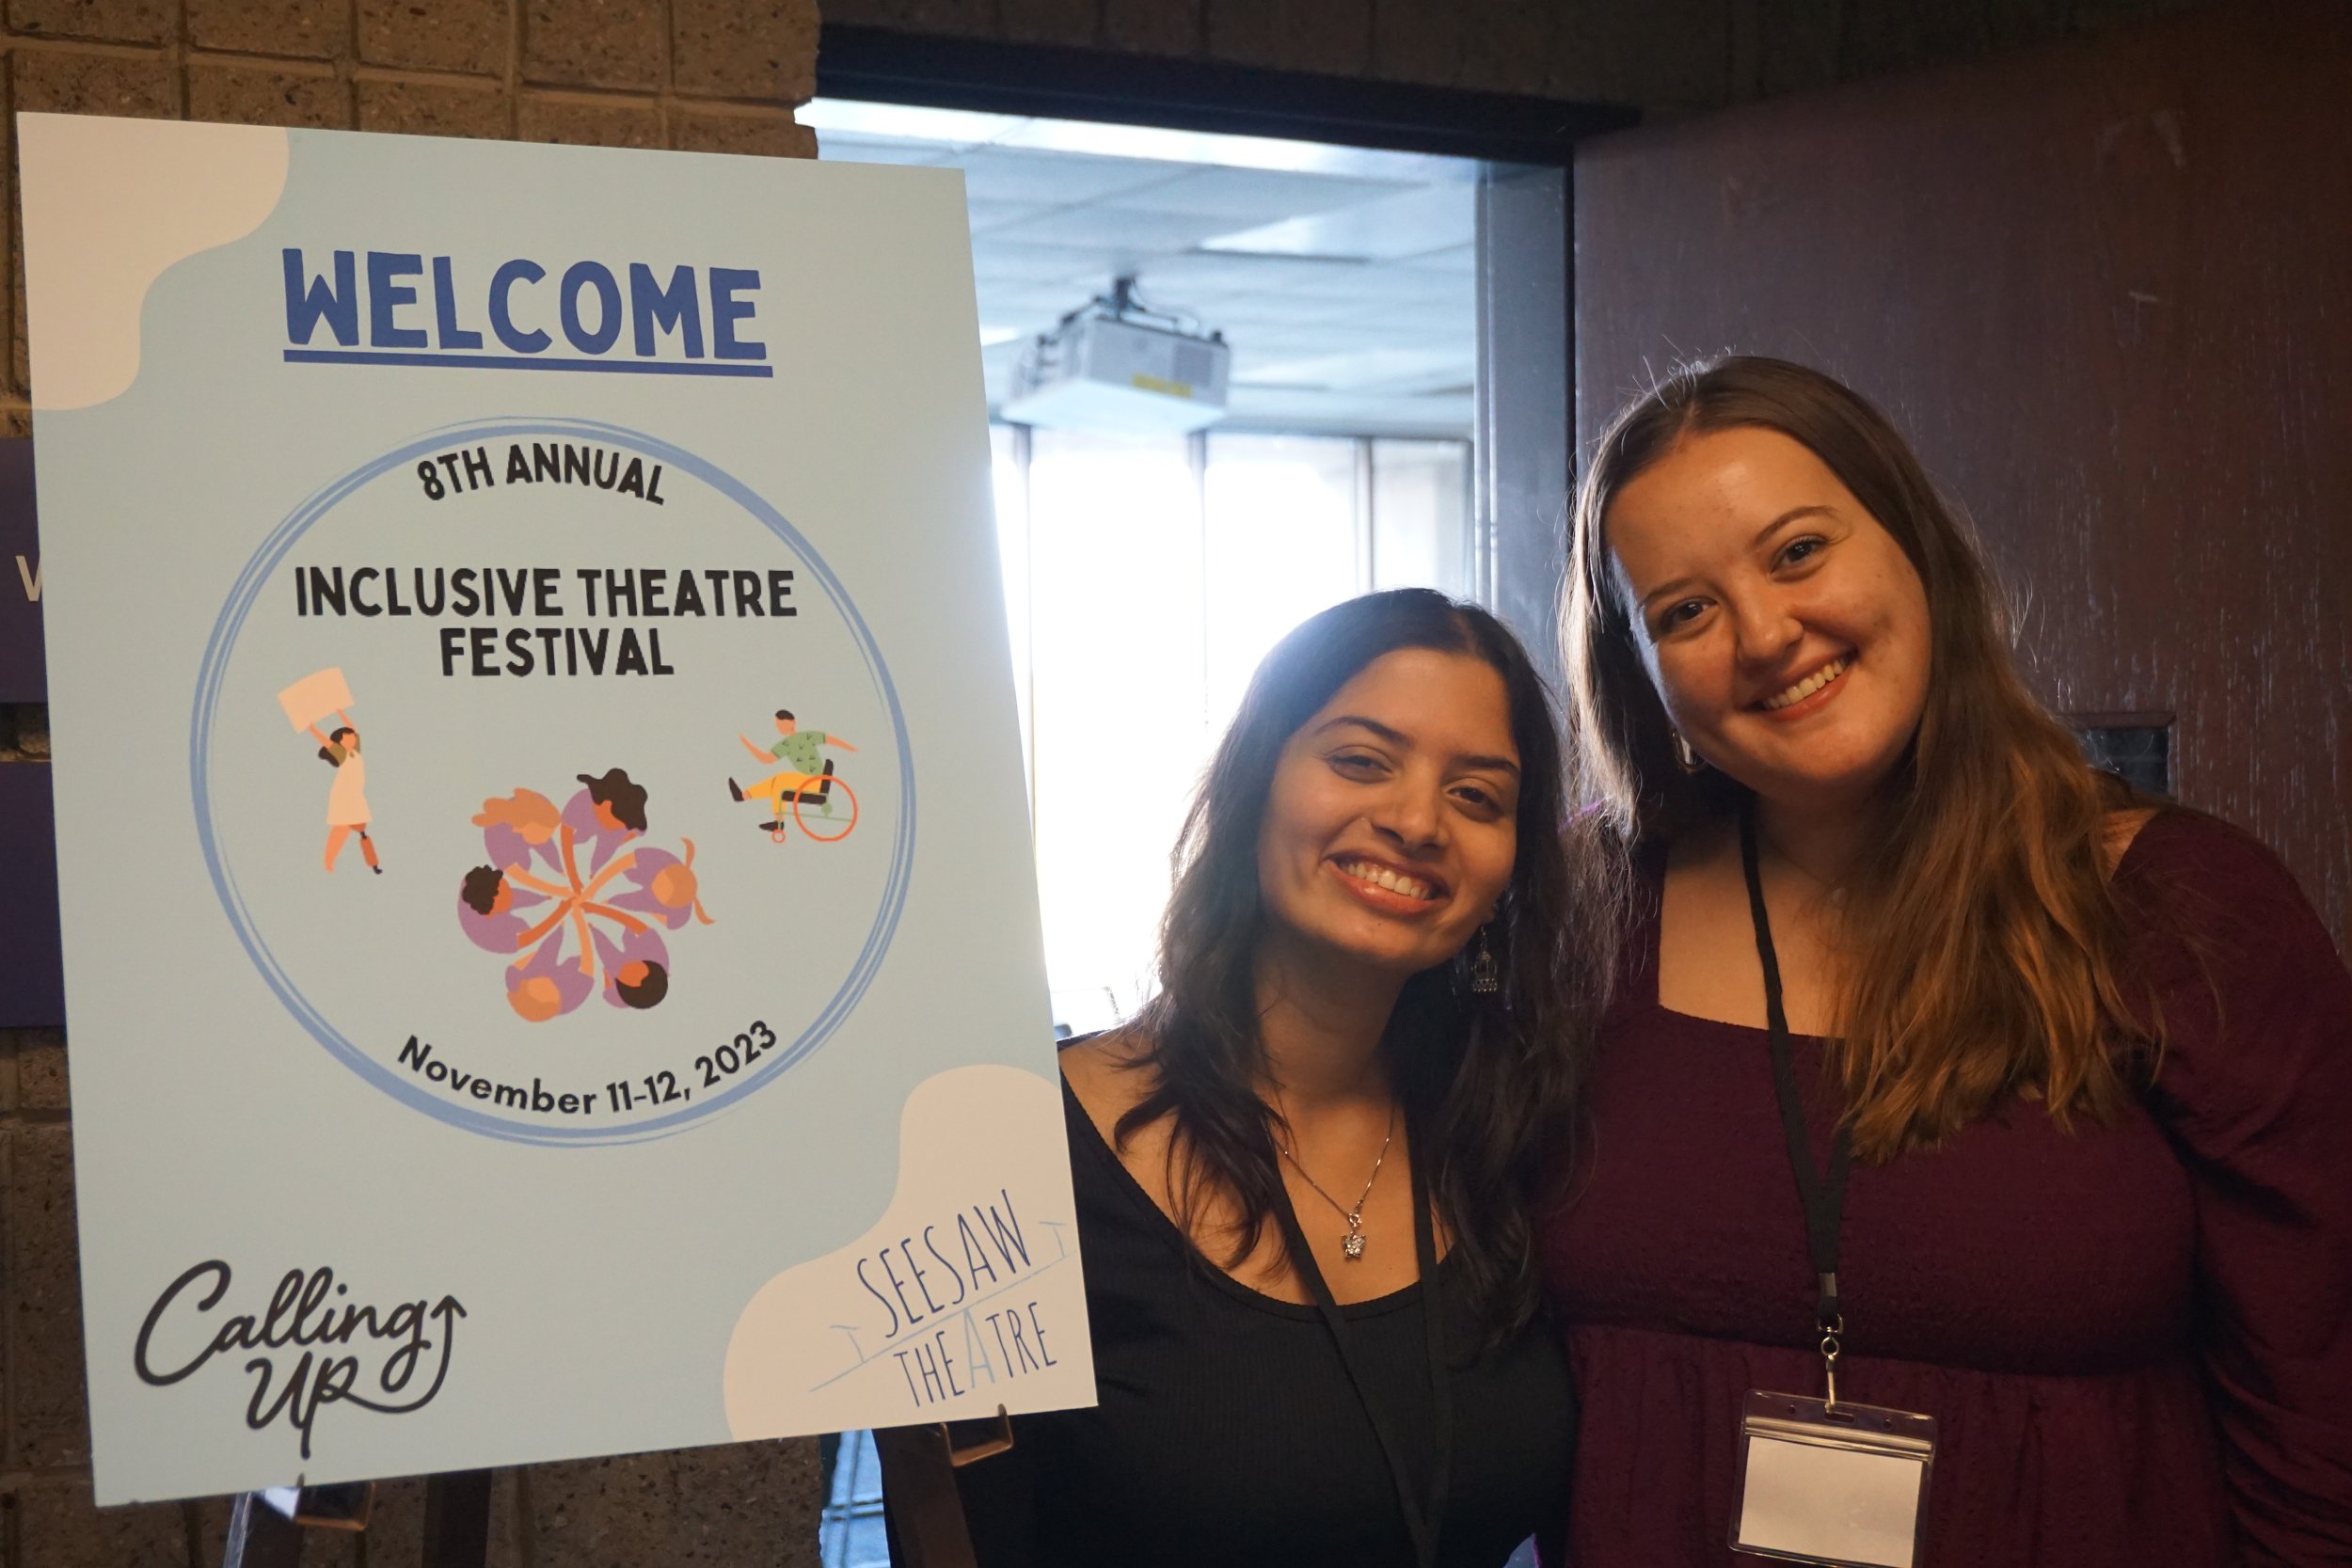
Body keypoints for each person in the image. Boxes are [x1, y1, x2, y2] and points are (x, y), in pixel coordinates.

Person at [1544, 356, 2352, 1566]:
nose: (1766, 633)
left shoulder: (2182, 910)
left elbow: (2320, 1397)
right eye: (1685, 611)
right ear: (1641, 675)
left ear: (1912, 543)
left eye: (1799, 551)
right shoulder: (1582, 913)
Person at [943, 589, 1603, 1568]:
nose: (1418, 821)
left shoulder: (1504, 1134)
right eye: (1360, 760)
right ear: (1256, 783)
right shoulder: (1011, 1150)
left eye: (1476, 795)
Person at [729, 709, 854, 825]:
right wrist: (746, 743)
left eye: (781, 724)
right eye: (777, 725)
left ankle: (779, 822)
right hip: (808, 780)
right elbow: (766, 759)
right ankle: (743, 796)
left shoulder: (807, 736)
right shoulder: (785, 745)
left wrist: (851, 748)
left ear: (793, 722)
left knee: (780, 782)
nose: (779, 727)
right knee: (776, 782)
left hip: (815, 782)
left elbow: (829, 739)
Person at [305, 713, 381, 874]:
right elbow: (325, 741)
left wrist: (340, 712)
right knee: (341, 830)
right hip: (344, 796)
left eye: (353, 737)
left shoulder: (356, 753)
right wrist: (312, 728)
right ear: (340, 742)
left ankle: (373, 863)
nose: (353, 738)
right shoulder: (342, 755)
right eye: (349, 738)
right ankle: (329, 861)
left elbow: (353, 728)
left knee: (360, 828)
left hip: (355, 795)